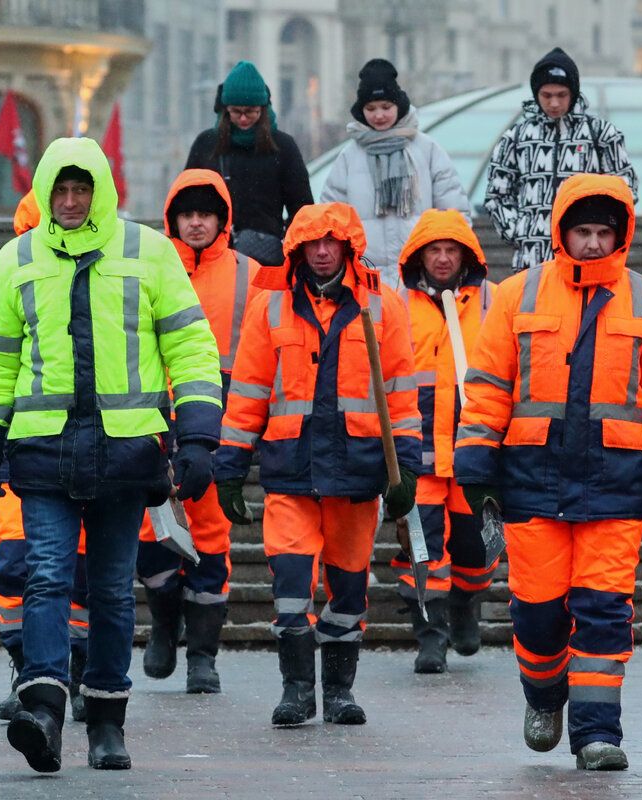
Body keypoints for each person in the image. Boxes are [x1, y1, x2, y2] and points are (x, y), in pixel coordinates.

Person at [0, 138, 223, 773]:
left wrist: (196, 438)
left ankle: (107, 719)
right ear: (45, 192)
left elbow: (192, 351)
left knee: (109, 590)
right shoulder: (16, 259)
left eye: (82, 189)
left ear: (100, 190)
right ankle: (45, 708)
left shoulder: (149, 252)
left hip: (126, 456)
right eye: (61, 190)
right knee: (47, 577)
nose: (71, 201)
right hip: (45, 454)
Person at [454, 174, 642, 770]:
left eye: (603, 232)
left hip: (615, 480)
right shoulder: (519, 295)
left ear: (621, 236)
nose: (592, 243)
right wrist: (476, 465)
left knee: (604, 611)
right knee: (537, 612)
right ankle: (543, 696)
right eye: (582, 231)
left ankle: (597, 734)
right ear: (561, 231)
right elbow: (486, 390)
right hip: (531, 477)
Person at [214, 201, 420, 728]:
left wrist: (409, 470)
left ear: (349, 247)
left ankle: (339, 692)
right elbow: (249, 392)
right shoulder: (271, 308)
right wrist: (231, 462)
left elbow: (400, 396)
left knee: (349, 590)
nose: (323, 252)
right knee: (290, 582)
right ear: (298, 249)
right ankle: (297, 690)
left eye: (332, 243)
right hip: (292, 470)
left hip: (357, 471)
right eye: (313, 243)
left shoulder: (383, 307)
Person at [0, 190, 90, 725]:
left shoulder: (93, 282)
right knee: (13, 562)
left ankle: (71, 667)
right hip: (10, 447)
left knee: (76, 568)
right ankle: (26, 666)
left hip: (80, 447)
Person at [137, 169, 262, 694]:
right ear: (173, 218)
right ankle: (166, 624)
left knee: (210, 536)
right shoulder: (147, 266)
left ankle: (203, 657)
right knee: (152, 536)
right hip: (149, 417)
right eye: (187, 214)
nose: (195, 223)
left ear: (221, 219)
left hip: (220, 421)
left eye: (205, 214)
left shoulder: (250, 274)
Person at [393, 208, 498, 673]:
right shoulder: (399, 305)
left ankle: (465, 605)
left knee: (476, 547)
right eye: (433, 250)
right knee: (421, 546)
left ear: (465, 255)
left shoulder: (492, 302)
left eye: (450, 250)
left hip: (473, 448)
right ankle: (430, 636)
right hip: (419, 452)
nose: (441, 258)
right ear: (420, 255)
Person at [320, 58, 470, 289]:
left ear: (399, 106)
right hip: (366, 274)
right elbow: (331, 217)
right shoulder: (349, 157)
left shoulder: (427, 149)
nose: (379, 115)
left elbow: (453, 211)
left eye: (386, 107)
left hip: (420, 275)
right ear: (361, 112)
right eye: (371, 109)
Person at [484, 47, 638, 273]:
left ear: (573, 93)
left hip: (589, 258)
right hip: (532, 259)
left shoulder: (601, 134)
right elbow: (497, 194)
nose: (554, 103)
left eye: (561, 95)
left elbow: (626, 188)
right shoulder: (516, 138)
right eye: (546, 95)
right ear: (536, 94)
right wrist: (519, 231)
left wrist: (602, 229)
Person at [186, 60, 314, 266]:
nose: (244, 118)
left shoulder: (283, 146)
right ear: (225, 109)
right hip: (211, 257)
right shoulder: (206, 144)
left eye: (251, 111)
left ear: (263, 109)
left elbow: (301, 209)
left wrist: (290, 252)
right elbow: (186, 200)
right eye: (236, 111)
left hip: (267, 259)